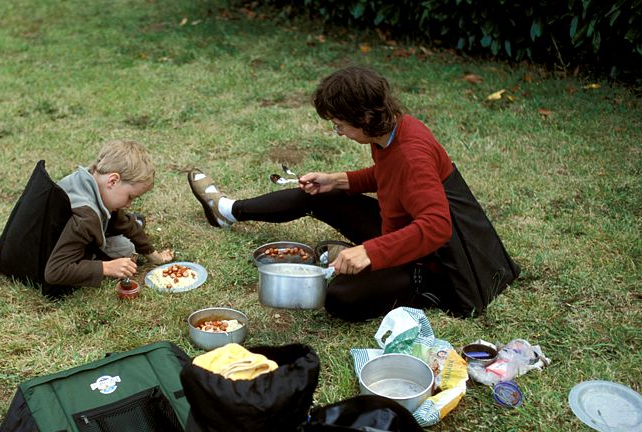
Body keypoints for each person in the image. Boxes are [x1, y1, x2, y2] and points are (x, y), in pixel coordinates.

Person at [188, 66, 518, 321]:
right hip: (399, 231)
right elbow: (391, 177)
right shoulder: (392, 130)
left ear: (365, 117)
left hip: (433, 263)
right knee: (317, 194)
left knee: (340, 299)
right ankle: (227, 210)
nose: (339, 132)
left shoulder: (412, 153)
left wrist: (370, 252)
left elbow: (436, 226)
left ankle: (418, 291)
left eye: (340, 125)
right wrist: (340, 180)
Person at [45, 139, 173, 288]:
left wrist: (154, 256)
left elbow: (123, 221)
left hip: (56, 237)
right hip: (49, 259)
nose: (129, 204)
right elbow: (54, 272)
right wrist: (106, 267)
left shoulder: (88, 179)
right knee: (126, 251)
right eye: (130, 197)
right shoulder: (86, 218)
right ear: (113, 181)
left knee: (125, 232)